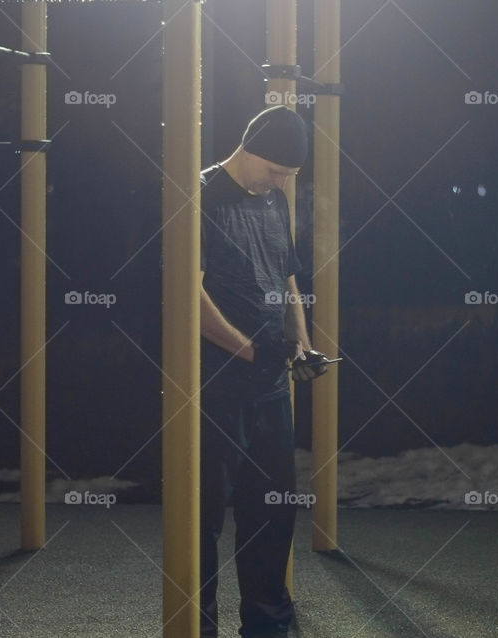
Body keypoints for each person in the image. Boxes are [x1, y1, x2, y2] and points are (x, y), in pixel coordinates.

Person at [198, 105, 314, 638]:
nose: (281, 183)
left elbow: (287, 276)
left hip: (269, 389)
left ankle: (268, 632)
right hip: (210, 389)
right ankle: (194, 629)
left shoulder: (273, 199)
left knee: (272, 515)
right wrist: (250, 351)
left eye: (289, 176)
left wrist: (302, 343)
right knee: (200, 523)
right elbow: (186, 295)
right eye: (276, 171)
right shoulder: (197, 195)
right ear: (247, 151)